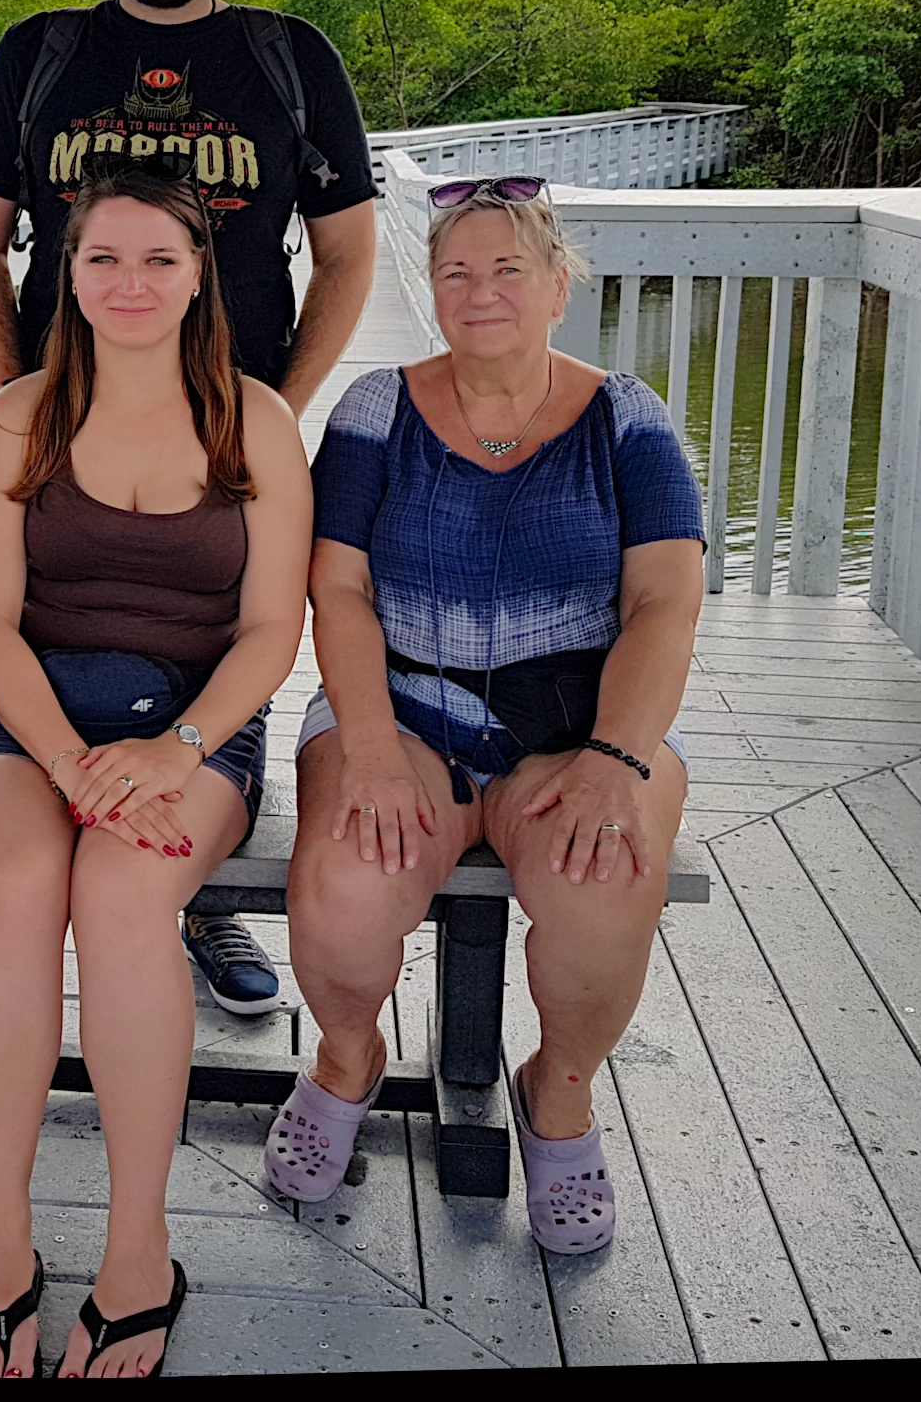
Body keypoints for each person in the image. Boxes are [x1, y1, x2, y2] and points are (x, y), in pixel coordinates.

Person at [0, 0, 378, 1017]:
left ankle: (197, 889)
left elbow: (347, 254)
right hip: (69, 438)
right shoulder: (39, 55)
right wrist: (26, 397)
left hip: (226, 447)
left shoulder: (287, 59)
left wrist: (267, 416)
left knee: (211, 636)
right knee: (56, 632)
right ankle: (71, 879)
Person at [275, 178, 703, 1256]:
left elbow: (664, 600)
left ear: (559, 285)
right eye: (456, 272)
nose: (481, 292)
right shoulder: (375, 410)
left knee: (605, 877)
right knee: (345, 881)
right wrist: (369, 745)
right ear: (431, 291)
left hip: (576, 725)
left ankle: (559, 1089)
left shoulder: (626, 417)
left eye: (509, 268)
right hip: (402, 710)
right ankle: (346, 1057)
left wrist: (616, 757)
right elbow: (338, 588)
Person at [0, 162, 311, 1377]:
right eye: (103, 257)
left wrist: (175, 747)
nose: (131, 281)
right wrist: (65, 759)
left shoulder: (255, 420)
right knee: (15, 888)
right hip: (27, 718)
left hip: (196, 724)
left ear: (201, 273)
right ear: (68, 272)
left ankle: (137, 1249)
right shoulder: (19, 416)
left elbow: (272, 630)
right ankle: (2, 1242)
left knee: (118, 890)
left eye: (159, 257)